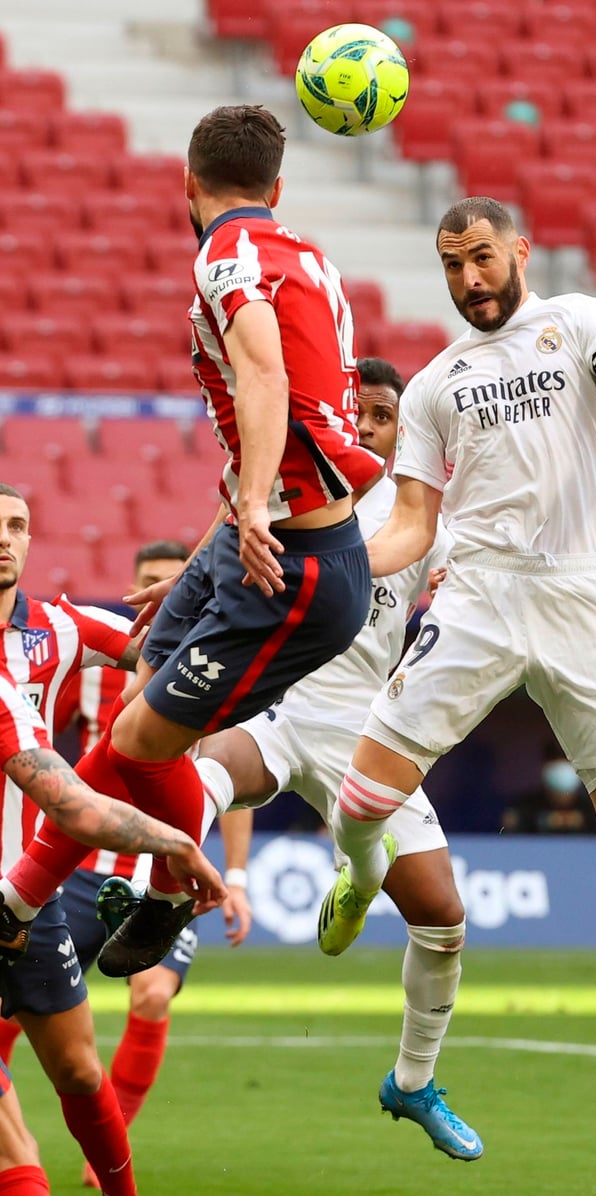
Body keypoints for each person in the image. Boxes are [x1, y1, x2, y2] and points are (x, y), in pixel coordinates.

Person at [317, 196, 596, 1097]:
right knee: (358, 802)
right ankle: (358, 874)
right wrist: (336, 560)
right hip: (478, 598)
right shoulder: (433, 385)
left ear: (520, 252)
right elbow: (413, 526)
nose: (470, 279)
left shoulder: (581, 322)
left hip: (580, 592)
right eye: (453, 265)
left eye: (483, 259)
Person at [0, 104, 382, 975]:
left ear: (187, 182)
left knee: (140, 740)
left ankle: (174, 890)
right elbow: (286, 414)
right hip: (259, 536)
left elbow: (264, 374)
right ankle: (19, 901)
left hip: (297, 565)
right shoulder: (310, 260)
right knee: (140, 676)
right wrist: (211, 549)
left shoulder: (225, 254)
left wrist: (251, 508)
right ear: (277, 188)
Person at [194, 356, 483, 1160]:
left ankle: (413, 1081)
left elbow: (474, 593)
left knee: (445, 922)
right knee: (204, 769)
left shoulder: (423, 517)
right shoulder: (292, 491)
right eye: (354, 408)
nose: (364, 423)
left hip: (371, 728)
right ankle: (149, 889)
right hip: (285, 702)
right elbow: (225, 544)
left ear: (401, 431)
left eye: (382, 415)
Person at [0, 540, 253, 1191]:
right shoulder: (50, 679)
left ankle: (108, 1177)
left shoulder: (66, 640)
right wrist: (173, 844)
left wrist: (222, 865)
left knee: (93, 1056)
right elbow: (74, 802)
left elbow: (219, 782)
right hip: (79, 864)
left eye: (17, 524)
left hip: (54, 882)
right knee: (12, 1136)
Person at [502, 739, 596, 834]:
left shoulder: (594, 807)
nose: (562, 774)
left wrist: (581, 820)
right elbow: (512, 823)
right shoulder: (528, 806)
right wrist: (544, 820)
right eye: (556, 772)